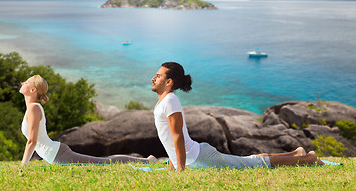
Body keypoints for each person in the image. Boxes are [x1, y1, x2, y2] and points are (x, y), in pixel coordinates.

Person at [151, 62, 323, 171]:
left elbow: (177, 136)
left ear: (168, 82)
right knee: (248, 161)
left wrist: (179, 169)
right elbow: (170, 140)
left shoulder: (170, 101)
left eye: (158, 76)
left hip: (198, 159)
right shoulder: (164, 102)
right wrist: (172, 167)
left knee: (253, 165)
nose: (153, 78)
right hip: (195, 156)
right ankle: (296, 153)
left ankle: (309, 159)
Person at [20, 75, 156, 166]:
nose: (22, 83)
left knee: (104, 162)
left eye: (26, 82)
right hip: (55, 153)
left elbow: (32, 141)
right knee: (102, 162)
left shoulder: (34, 109)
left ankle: (146, 161)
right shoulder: (32, 108)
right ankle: (145, 161)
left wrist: (23, 165)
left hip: (57, 155)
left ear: (33, 89)